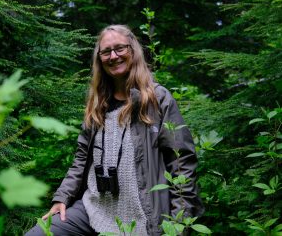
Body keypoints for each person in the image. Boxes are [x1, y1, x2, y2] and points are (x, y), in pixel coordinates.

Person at [25, 24, 203, 236]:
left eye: (120, 48)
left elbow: (181, 163)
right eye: (106, 51)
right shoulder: (98, 103)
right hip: (93, 209)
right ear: (99, 59)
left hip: (143, 216)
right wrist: (61, 197)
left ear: (133, 50)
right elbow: (81, 159)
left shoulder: (157, 99)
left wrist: (179, 224)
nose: (113, 56)